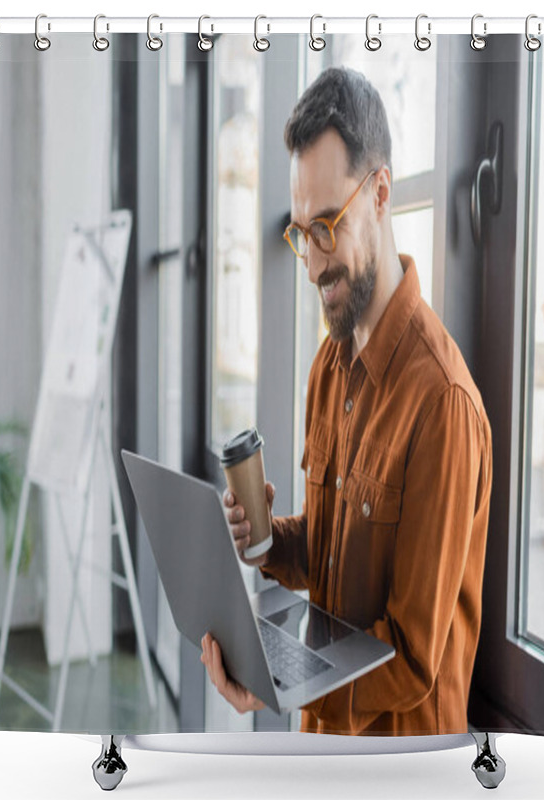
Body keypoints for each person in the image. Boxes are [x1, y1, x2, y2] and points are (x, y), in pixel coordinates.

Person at [201, 66, 493, 736]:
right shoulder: (329, 367)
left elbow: (413, 660)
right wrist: (271, 541)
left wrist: (279, 681)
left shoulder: (442, 402)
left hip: (397, 770)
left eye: (328, 225)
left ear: (382, 192)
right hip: (322, 748)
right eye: (301, 232)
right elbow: (329, 557)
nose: (312, 262)